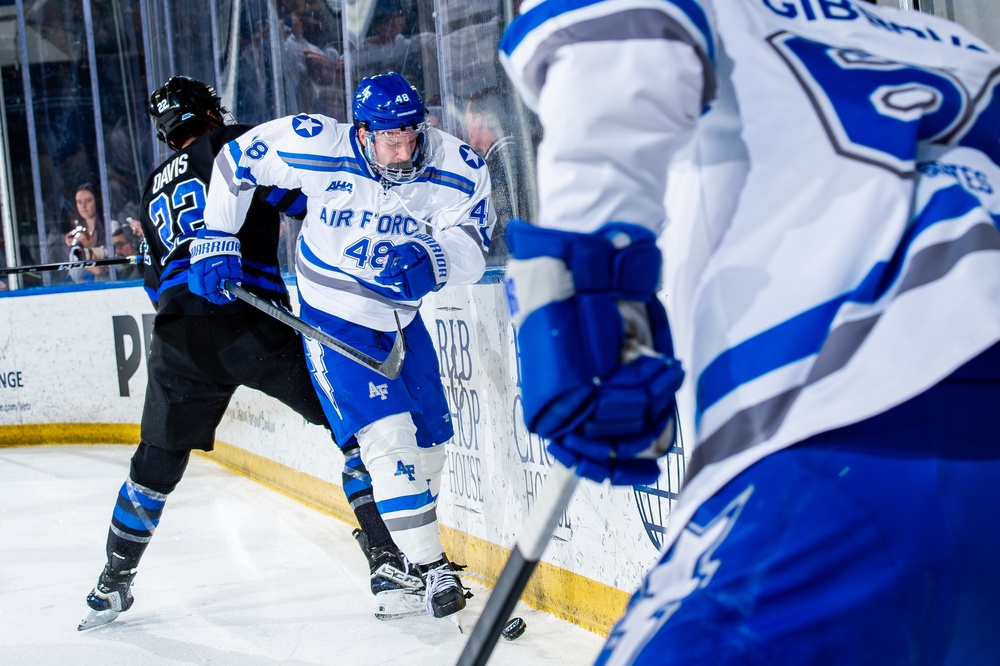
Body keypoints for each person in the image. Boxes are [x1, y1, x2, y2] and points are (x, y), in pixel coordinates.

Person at [499, 1, 1000, 664]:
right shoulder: (960, 46)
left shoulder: (725, 15)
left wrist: (587, 302)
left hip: (840, 430)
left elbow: (619, 54)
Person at [79, 76, 415, 631]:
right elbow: (301, 201)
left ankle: (110, 585)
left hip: (179, 336)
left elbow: (152, 278)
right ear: (210, 111)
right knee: (354, 426)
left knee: (155, 464)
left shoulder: (150, 185)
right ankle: (386, 561)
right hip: (250, 319)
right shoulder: (232, 143)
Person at [190, 71, 496, 621]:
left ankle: (402, 562)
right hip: (336, 318)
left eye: (410, 135)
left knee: (432, 442)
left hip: (402, 320)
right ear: (362, 130)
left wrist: (437, 259)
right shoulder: (316, 143)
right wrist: (217, 236)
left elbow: (474, 236)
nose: (403, 150)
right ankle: (432, 568)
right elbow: (237, 161)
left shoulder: (455, 164)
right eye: (389, 138)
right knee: (390, 439)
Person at [65, 183, 109, 282]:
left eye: (88, 201)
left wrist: (89, 248)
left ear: (97, 201)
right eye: (79, 202)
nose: (83, 206)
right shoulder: (78, 230)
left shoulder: (110, 227)